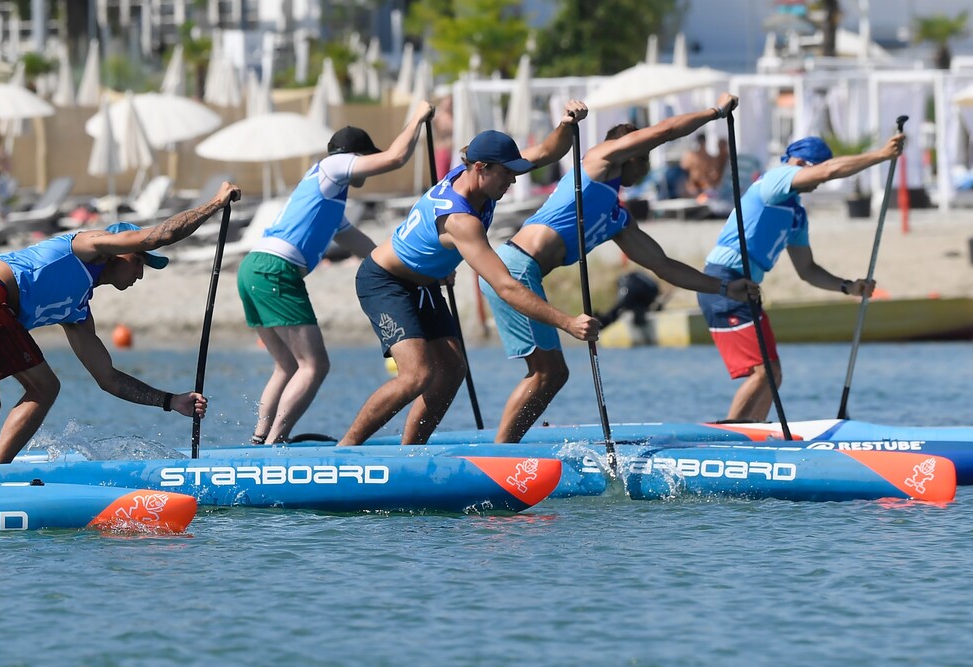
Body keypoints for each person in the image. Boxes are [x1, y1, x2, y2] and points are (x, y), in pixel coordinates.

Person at [479, 93, 759, 442]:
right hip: (514, 270)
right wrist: (715, 112)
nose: (647, 168)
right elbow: (666, 130)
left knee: (551, 374)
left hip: (523, 273)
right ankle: (502, 454)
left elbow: (664, 266)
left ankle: (506, 449)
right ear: (631, 155)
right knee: (546, 373)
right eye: (645, 160)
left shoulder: (617, 218)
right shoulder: (599, 161)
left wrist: (724, 288)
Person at [336, 104, 601, 448]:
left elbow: (550, 151)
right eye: (508, 173)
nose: (514, 180)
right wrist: (567, 323)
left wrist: (566, 124)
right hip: (384, 281)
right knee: (417, 375)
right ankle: (345, 451)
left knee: (452, 370)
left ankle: (409, 456)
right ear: (481, 168)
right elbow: (506, 286)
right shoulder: (461, 219)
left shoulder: (482, 177)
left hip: (425, 284)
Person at [0, 181, 241, 467]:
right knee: (45, 387)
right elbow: (162, 236)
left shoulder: (77, 312)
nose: (140, 274)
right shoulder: (89, 245)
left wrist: (170, 401)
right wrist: (215, 203)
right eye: (139, 261)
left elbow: (109, 379)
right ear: (121, 249)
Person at [238, 103, 435, 445]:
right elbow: (394, 158)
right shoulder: (333, 166)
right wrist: (416, 118)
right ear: (354, 155)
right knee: (315, 366)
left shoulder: (329, 199)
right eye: (364, 159)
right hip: (276, 271)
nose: (364, 168)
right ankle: (274, 446)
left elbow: (369, 251)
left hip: (253, 269)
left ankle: (259, 441)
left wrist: (414, 271)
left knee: (286, 365)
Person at [697, 133, 906, 422]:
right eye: (816, 171)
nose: (820, 181)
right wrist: (881, 156)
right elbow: (831, 170)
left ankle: (752, 436)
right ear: (798, 163)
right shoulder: (775, 180)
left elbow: (807, 269)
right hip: (724, 283)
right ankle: (727, 438)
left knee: (773, 374)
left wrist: (847, 286)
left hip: (748, 288)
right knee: (763, 372)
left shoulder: (796, 214)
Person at [679, 133, 725, 198]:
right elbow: (684, 169)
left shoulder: (710, 158)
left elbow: (715, 175)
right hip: (695, 187)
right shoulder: (691, 156)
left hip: (705, 187)